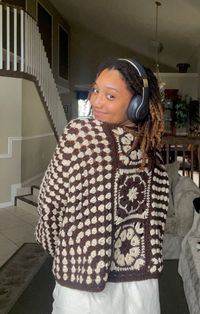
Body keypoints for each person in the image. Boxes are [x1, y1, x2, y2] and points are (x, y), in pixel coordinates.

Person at [35, 57, 169, 314]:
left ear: (138, 104)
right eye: (95, 90)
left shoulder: (80, 134)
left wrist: (69, 252)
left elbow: (50, 208)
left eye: (110, 96)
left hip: (84, 290)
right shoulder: (152, 152)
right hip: (142, 287)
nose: (96, 101)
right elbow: (158, 225)